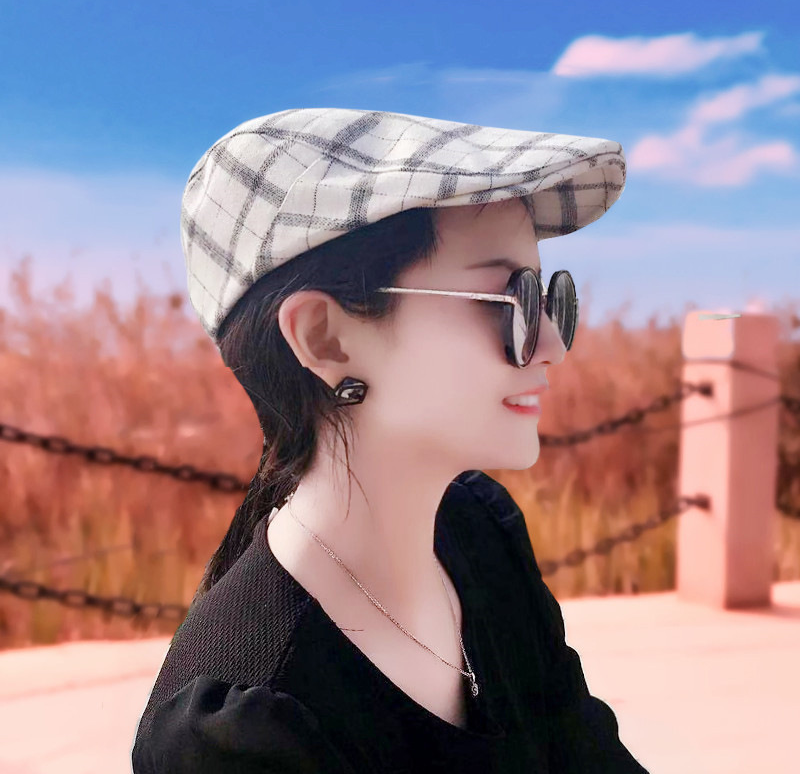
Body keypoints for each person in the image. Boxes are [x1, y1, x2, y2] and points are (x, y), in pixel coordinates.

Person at [131, 107, 649, 772]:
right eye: (511, 301)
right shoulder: (236, 738)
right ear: (324, 337)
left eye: (550, 297)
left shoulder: (479, 533)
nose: (551, 343)